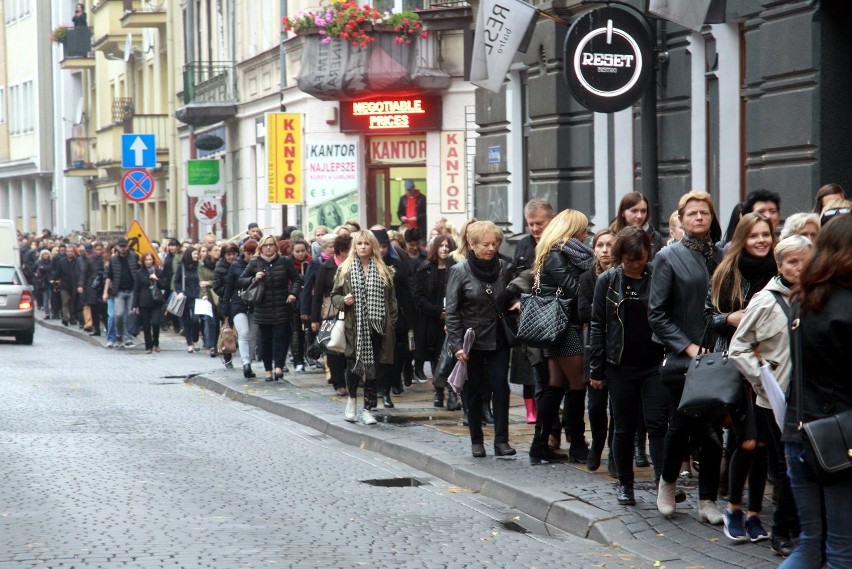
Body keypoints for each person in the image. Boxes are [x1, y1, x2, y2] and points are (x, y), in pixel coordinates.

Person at [729, 235, 814, 557]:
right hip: (773, 399)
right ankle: (782, 531)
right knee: (784, 467)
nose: (799, 268)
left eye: (805, 261)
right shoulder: (764, 301)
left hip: (809, 395)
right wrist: (762, 377)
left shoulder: (817, 296)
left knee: (803, 464)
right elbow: (738, 347)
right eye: (792, 262)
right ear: (779, 265)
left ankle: (802, 527)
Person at [649, 191, 726, 525]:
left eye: (704, 213)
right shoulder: (669, 257)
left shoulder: (722, 255)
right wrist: (688, 347)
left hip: (720, 355)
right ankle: (667, 482)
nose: (698, 218)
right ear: (680, 219)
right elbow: (657, 313)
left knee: (712, 430)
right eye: (692, 213)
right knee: (681, 425)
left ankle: (707, 499)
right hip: (684, 358)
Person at [779, 215, 852, 569]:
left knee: (810, 546)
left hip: (798, 431)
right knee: (841, 550)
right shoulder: (845, 306)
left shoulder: (802, 299)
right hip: (839, 437)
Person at [704, 212, 778, 543]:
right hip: (736, 366)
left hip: (771, 368)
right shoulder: (726, 273)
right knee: (747, 440)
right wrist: (727, 318)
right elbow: (706, 319)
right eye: (754, 236)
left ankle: (753, 514)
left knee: (761, 444)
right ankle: (734, 508)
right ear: (742, 239)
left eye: (766, 234)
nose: (761, 240)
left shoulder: (780, 271)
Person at [589, 226, 667, 505]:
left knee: (658, 424)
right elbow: (598, 325)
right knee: (624, 427)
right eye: (630, 258)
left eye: (641, 257)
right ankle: (626, 484)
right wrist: (596, 369)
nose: (636, 263)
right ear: (620, 256)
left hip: (654, 363)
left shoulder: (658, 276)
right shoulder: (608, 281)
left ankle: (662, 484)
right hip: (619, 365)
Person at [525, 210, 592, 464]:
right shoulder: (557, 254)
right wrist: (592, 274)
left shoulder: (557, 252)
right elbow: (574, 291)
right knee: (576, 386)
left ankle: (540, 444)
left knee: (556, 385)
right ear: (572, 230)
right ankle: (576, 443)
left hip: (562, 327)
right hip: (563, 327)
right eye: (583, 229)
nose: (586, 235)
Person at [445, 220, 516, 458]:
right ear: (471, 244)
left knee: (500, 387)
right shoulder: (459, 271)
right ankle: (477, 440)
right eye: (485, 244)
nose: (491, 248)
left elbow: (509, 298)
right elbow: (452, 312)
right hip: (471, 341)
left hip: (498, 338)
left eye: (494, 243)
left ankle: (501, 441)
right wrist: (456, 346)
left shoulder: (505, 268)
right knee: (473, 389)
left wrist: (515, 303)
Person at [330, 231, 398, 425]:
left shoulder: (383, 269)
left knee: (373, 368)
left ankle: (368, 408)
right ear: (354, 246)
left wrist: (390, 322)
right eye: (359, 244)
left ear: (373, 246)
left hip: (377, 327)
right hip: (354, 326)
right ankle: (351, 401)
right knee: (353, 366)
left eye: (366, 244)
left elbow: (392, 301)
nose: (362, 247)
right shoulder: (346, 269)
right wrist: (343, 300)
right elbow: (334, 295)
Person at [578, 228, 618, 473]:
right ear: (594, 249)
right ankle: (597, 444)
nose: (605, 250)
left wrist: (598, 307)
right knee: (595, 405)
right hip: (594, 346)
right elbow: (583, 312)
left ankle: (615, 451)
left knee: (618, 406)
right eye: (600, 245)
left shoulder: (624, 275)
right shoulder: (587, 278)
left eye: (609, 245)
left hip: (620, 346)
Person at [238, 235, 301, 382]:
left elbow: (297, 279)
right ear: (261, 247)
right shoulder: (255, 262)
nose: (268, 248)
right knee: (265, 341)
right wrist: (254, 278)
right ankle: (267, 370)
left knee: (281, 338)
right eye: (265, 245)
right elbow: (241, 280)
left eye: (271, 245)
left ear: (276, 247)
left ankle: (279, 366)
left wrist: (293, 294)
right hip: (263, 307)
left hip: (282, 305)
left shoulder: (284, 261)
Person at [413, 235, 458, 409]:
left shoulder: (455, 268)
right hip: (431, 322)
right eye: (442, 246)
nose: (445, 249)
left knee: (451, 357)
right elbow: (418, 297)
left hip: (452, 321)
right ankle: (438, 393)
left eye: (448, 246)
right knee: (435, 358)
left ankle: (452, 394)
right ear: (435, 248)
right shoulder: (425, 269)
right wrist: (437, 311)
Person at [312, 235, 351, 395]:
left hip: (351, 311)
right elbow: (317, 294)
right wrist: (315, 319)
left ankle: (350, 378)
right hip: (332, 312)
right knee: (334, 347)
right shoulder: (325, 267)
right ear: (342, 251)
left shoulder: (355, 265)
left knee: (349, 346)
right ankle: (338, 382)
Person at [223, 239, 258, 379]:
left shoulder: (259, 264)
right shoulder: (236, 266)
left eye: (254, 253)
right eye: (249, 253)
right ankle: (246, 364)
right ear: (244, 252)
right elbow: (228, 288)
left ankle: (249, 361)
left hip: (255, 303)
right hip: (238, 303)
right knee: (243, 332)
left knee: (252, 335)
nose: (251, 256)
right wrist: (225, 309)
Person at [104, 238, 139, 348]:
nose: (123, 248)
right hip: (118, 291)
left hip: (132, 290)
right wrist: (105, 292)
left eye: (125, 246)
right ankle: (118, 335)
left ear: (127, 246)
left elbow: (138, 271)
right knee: (118, 315)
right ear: (117, 247)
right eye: (121, 246)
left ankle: (127, 338)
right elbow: (109, 277)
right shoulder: (113, 260)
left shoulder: (134, 257)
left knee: (129, 315)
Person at [132, 252, 165, 354]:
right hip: (144, 301)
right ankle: (148, 346)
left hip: (156, 301)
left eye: (150, 259)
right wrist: (134, 304)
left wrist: (157, 279)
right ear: (143, 261)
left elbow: (163, 286)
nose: (148, 262)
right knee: (146, 325)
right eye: (146, 260)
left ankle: (156, 342)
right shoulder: (139, 272)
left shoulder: (158, 271)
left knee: (155, 323)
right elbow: (136, 289)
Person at [214, 242, 240, 369]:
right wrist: (228, 292)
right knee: (227, 331)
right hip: (226, 302)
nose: (231, 257)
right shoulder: (220, 267)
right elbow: (216, 286)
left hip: (240, 301)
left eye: (233, 254)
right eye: (228, 254)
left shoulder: (241, 266)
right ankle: (227, 358)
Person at [173, 247, 204, 353]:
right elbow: (176, 281)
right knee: (186, 320)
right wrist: (179, 292)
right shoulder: (181, 267)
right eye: (195, 254)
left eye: (197, 254)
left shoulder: (199, 266)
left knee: (195, 319)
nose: (196, 256)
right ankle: (189, 343)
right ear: (189, 254)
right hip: (185, 296)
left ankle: (195, 340)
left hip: (197, 296)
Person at [288, 239, 311, 372]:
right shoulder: (288, 263)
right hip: (294, 301)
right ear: (292, 251)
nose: (301, 254)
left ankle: (310, 356)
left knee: (310, 331)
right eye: (297, 251)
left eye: (303, 251)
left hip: (309, 300)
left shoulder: (311, 262)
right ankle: (298, 359)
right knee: (296, 332)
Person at [79, 242, 104, 336]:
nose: (99, 251)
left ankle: (105, 328)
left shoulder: (105, 259)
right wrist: (81, 285)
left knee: (103, 308)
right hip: (92, 286)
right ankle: (96, 328)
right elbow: (84, 273)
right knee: (93, 308)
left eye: (100, 249)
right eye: (97, 249)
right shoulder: (89, 260)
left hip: (102, 285)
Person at [34, 250, 53, 315]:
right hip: (43, 283)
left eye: (47, 254)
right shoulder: (38, 263)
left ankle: (53, 312)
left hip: (50, 282)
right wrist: (36, 275)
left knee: (52, 299)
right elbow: (33, 271)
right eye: (44, 254)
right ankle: (47, 314)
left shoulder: (51, 262)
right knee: (45, 300)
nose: (45, 256)